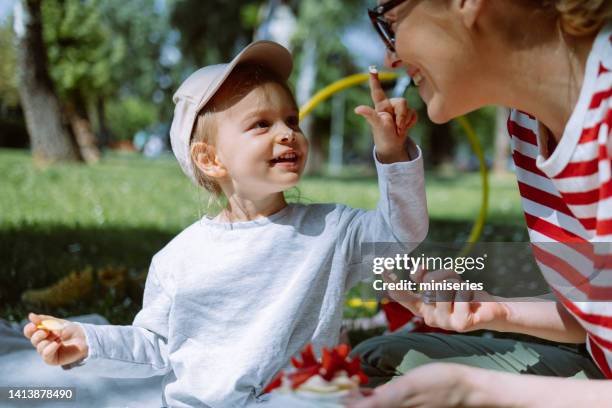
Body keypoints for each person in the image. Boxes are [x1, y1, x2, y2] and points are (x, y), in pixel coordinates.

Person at [22, 41, 428, 407]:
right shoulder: (178, 259)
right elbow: (156, 345)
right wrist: (86, 341)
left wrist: (393, 154)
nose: (287, 133)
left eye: (292, 119)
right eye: (261, 124)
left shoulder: (333, 230)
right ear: (211, 160)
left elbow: (399, 235)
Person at [350, 0, 612, 407]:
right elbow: (598, 310)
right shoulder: (528, 124)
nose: (391, 57)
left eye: (391, 22)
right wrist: (496, 309)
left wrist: (473, 390)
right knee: (376, 360)